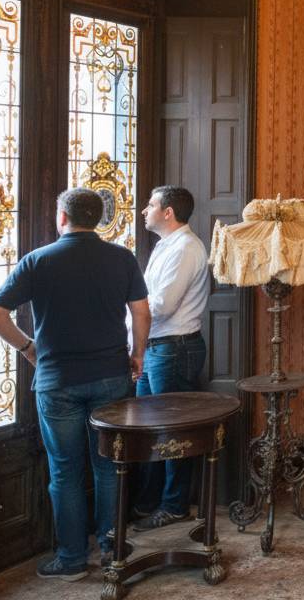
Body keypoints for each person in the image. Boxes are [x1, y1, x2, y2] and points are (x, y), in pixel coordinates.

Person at [0, 188, 150, 580]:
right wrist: (138, 353)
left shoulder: (37, 261)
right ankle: (113, 549)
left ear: (62, 217)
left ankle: (73, 559)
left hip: (57, 379)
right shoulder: (121, 257)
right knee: (109, 467)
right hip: (111, 377)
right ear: (99, 219)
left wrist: (28, 347)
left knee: (65, 472)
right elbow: (141, 312)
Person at [131, 186, 210, 532]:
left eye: (150, 205)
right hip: (155, 347)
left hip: (174, 349)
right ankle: (148, 502)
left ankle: (174, 505)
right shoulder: (166, 246)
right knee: (147, 430)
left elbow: (162, 305)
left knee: (171, 431)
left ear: (168, 212)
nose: (144, 210)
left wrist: (131, 308)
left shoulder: (186, 248)